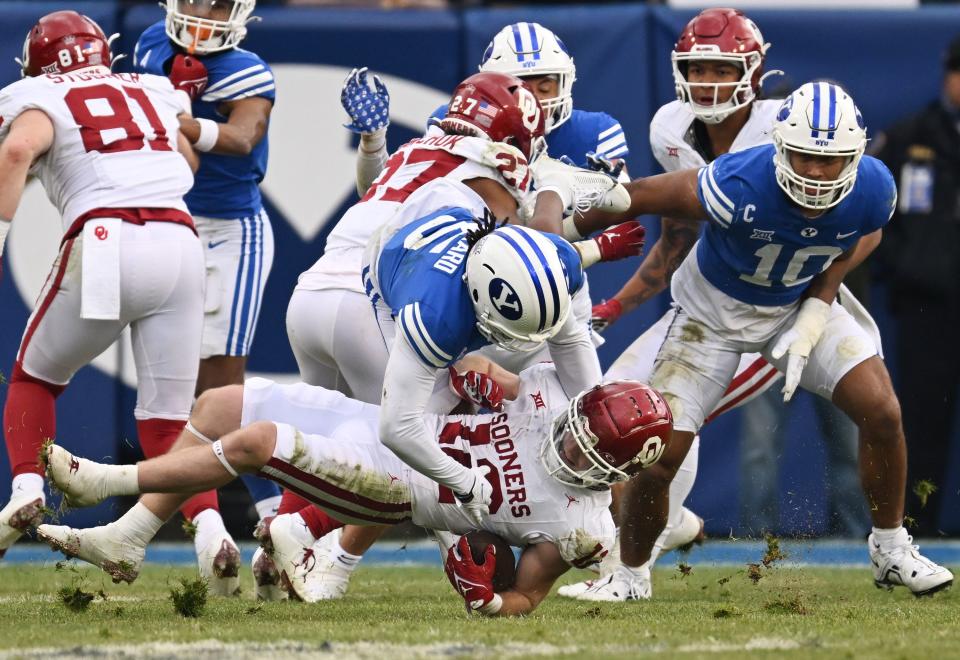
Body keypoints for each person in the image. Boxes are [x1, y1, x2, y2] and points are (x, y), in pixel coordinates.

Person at [576, 80, 955, 599]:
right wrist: (567, 228)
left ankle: (890, 549)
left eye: (832, 161)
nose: (818, 174)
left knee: (883, 411)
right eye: (803, 158)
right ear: (779, 148)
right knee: (660, 454)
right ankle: (629, 576)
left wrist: (819, 307)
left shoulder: (873, 187)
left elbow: (863, 233)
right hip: (711, 317)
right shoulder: (738, 182)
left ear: (855, 156)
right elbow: (638, 195)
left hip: (796, 304)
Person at [282, 71, 641, 599]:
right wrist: (582, 235)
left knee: (333, 441)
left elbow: (374, 194)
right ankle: (344, 551)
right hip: (380, 301)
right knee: (433, 437)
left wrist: (373, 143)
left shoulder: (423, 146)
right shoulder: (504, 167)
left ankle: (294, 546)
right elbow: (524, 258)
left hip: (314, 293)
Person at [36, 361, 674, 613]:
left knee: (258, 442)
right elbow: (478, 371)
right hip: (395, 432)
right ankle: (128, 535)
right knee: (219, 405)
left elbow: (529, 594)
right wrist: (475, 375)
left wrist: (490, 603)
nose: (566, 446)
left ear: (611, 474)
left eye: (583, 451)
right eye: (572, 431)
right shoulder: (547, 394)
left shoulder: (581, 526)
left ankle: (104, 482)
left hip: (399, 487)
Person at [0, 12, 203, 563]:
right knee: (168, 421)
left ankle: (25, 490)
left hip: (109, 234)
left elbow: (18, 150)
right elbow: (186, 160)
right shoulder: (151, 87)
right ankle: (213, 534)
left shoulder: (37, 90)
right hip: (180, 238)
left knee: (35, 378)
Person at [132, 0, 282, 595]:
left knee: (220, 390)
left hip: (229, 234)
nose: (203, 11)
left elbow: (244, 138)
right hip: (167, 220)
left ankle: (276, 518)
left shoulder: (248, 68)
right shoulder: (149, 45)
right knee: (172, 387)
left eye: (217, 2)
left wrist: (179, 118)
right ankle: (212, 522)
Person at [871, 34, 960, 537]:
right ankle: (916, 532)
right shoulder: (910, 137)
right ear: (946, 75)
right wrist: (910, 267)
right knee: (922, 420)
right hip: (926, 307)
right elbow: (872, 219)